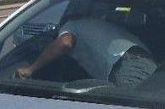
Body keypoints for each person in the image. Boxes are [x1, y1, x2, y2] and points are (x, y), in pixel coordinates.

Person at [14, 17, 157, 87]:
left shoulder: (72, 25)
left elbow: (65, 42)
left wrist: (31, 69)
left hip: (128, 66)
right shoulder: (94, 24)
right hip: (145, 62)